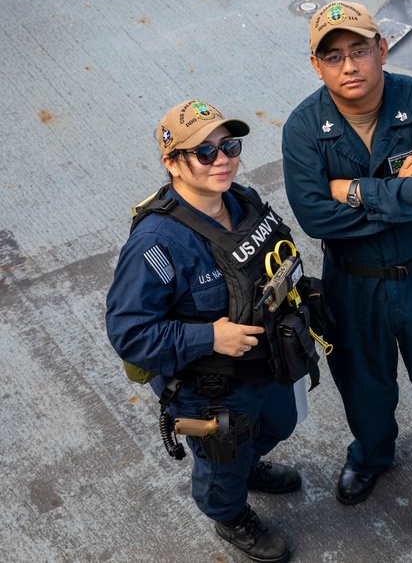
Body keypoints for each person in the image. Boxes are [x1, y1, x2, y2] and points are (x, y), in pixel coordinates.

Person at [281, 1, 412, 509]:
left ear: (382, 48)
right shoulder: (304, 129)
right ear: (316, 65)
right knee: (363, 384)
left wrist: (352, 190)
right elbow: (315, 217)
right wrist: (399, 192)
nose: (349, 66)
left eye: (359, 50)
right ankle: (371, 455)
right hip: (351, 283)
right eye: (333, 56)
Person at [106, 100, 303, 563]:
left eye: (228, 146)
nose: (223, 160)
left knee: (280, 422)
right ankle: (228, 514)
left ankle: (246, 467)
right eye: (205, 152)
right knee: (222, 463)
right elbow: (129, 333)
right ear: (172, 163)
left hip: (265, 363)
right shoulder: (157, 243)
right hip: (211, 387)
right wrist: (209, 338)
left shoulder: (242, 200)